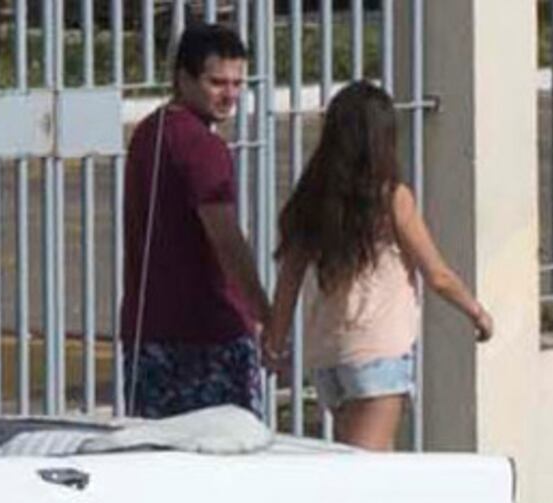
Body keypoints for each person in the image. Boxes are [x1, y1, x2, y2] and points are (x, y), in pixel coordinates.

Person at [269, 81, 492, 452]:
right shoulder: (390, 197)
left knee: (362, 457)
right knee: (370, 471)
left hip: (326, 355)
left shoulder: (311, 198)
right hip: (377, 349)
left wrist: (275, 342)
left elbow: (289, 278)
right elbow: (436, 274)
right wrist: (477, 313)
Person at [118, 21, 276, 419]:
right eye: (217, 82)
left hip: (148, 331)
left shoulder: (149, 133)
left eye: (238, 83)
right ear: (183, 78)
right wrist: (264, 312)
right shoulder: (203, 148)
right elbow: (225, 237)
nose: (230, 95)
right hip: (210, 334)